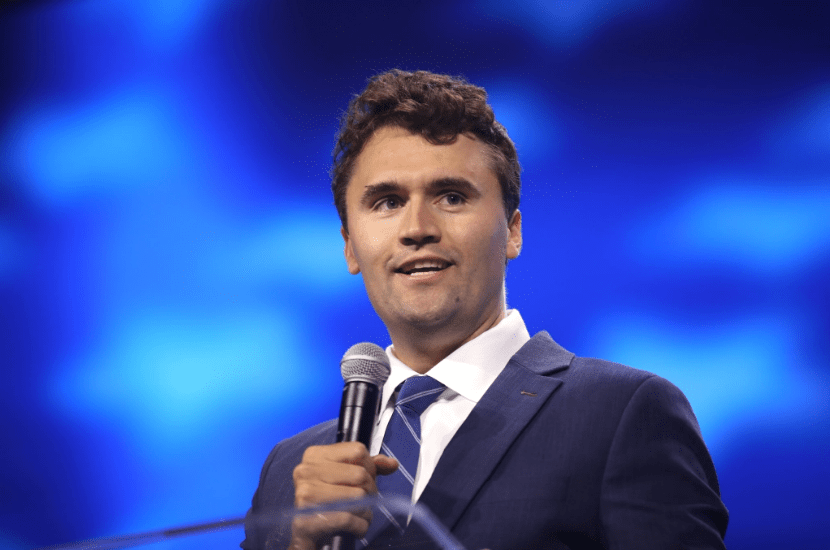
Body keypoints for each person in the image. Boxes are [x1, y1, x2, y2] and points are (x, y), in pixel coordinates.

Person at [241, 70, 729, 550]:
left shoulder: (622, 414)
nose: (417, 228)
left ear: (512, 231)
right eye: (387, 202)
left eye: (451, 197)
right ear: (350, 246)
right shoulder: (289, 471)